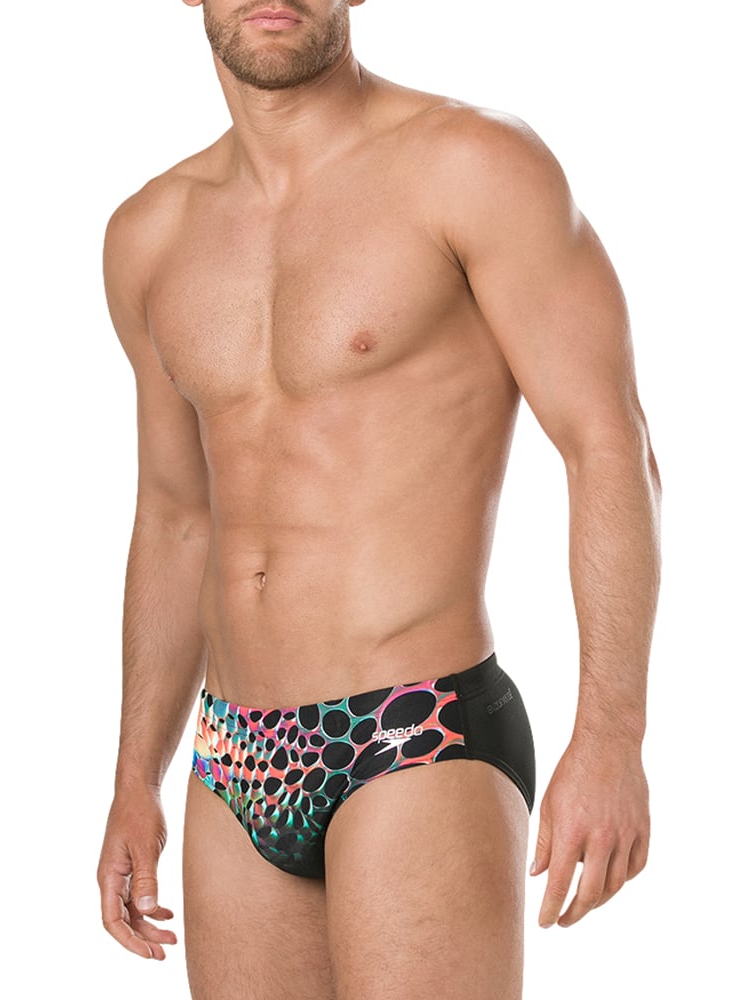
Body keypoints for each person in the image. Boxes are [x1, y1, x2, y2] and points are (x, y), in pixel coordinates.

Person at [96, 2, 661, 998]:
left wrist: (612, 735)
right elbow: (177, 515)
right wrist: (134, 774)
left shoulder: (470, 166)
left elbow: (608, 443)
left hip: (415, 727)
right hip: (232, 753)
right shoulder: (150, 234)